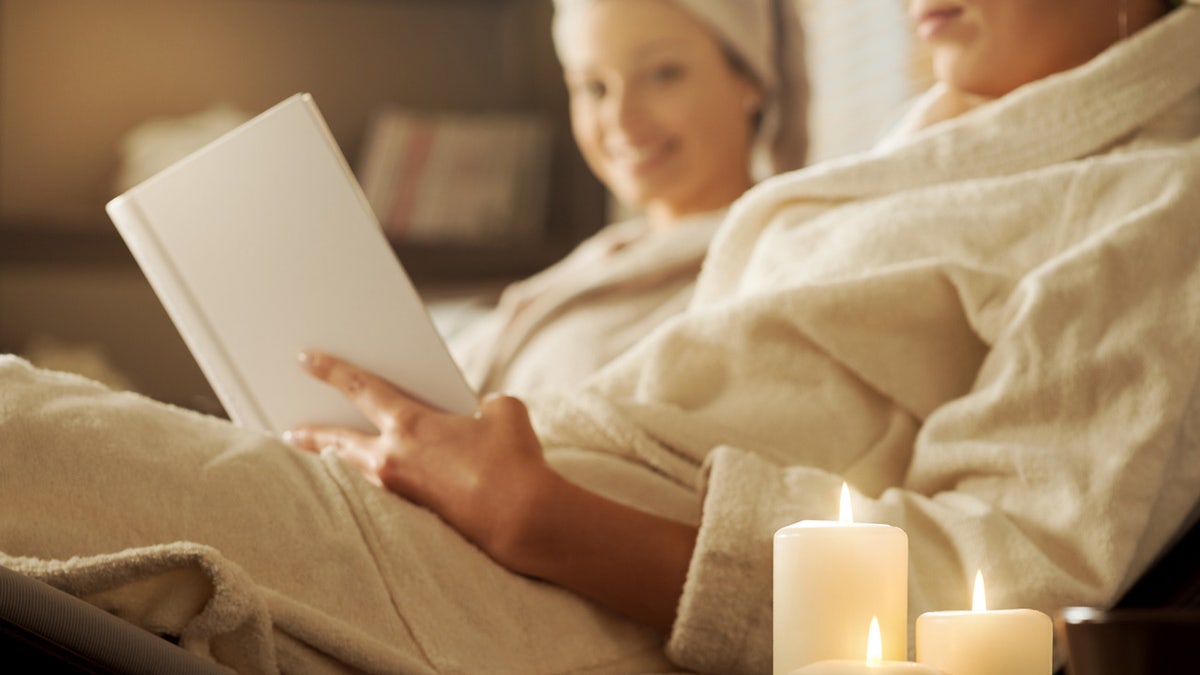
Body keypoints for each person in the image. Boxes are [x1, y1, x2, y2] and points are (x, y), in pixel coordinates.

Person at [2, 1, 1198, 674]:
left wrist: (550, 521)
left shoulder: (1159, 204)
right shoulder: (941, 159)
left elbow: (1006, 605)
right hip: (497, 545)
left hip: (563, 599)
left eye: (662, 73)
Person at [449, 0, 808, 396]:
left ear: (749, 79)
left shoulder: (781, 268)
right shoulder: (598, 259)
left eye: (663, 74)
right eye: (594, 87)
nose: (621, 118)